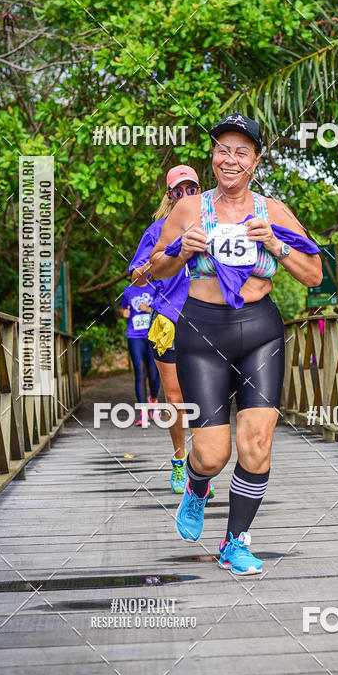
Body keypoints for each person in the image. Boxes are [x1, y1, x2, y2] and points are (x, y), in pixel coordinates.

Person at [150, 113, 322, 576]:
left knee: (258, 442)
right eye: (223, 149)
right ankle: (197, 486)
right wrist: (181, 251)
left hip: (260, 330)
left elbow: (315, 276)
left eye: (241, 152)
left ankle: (235, 541)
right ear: (213, 157)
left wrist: (279, 247)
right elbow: (152, 270)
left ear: (256, 161)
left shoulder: (274, 212)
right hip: (202, 332)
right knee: (210, 454)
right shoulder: (189, 210)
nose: (230, 159)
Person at [129, 165, 213, 497]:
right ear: (170, 196)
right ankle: (180, 461)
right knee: (176, 397)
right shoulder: (157, 230)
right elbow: (137, 277)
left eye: (192, 189)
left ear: (200, 191)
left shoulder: (214, 224)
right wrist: (157, 261)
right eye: (180, 191)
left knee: (208, 397)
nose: (187, 195)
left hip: (208, 319)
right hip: (169, 320)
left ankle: (203, 468)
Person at [120, 283, 160, 425]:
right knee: (140, 373)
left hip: (153, 335)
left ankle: (154, 401)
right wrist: (124, 313)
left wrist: (148, 309)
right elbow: (123, 310)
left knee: (154, 375)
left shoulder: (156, 286)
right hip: (135, 336)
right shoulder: (129, 290)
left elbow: (164, 309)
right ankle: (143, 413)